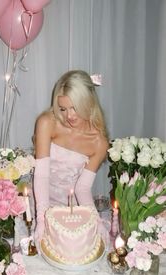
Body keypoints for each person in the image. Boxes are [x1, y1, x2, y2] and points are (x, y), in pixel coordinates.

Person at [33, 70, 109, 251]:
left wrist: (94, 218)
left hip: (70, 209)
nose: (69, 116)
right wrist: (42, 219)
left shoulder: (99, 142)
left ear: (89, 103)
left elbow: (82, 188)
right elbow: (42, 176)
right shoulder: (47, 122)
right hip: (40, 199)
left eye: (75, 107)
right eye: (63, 108)